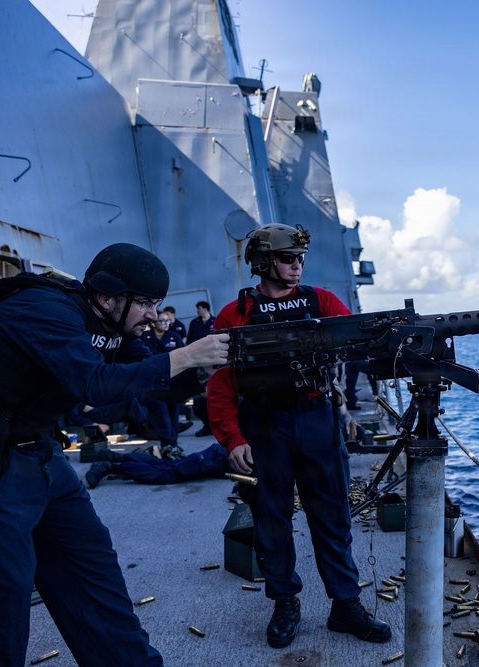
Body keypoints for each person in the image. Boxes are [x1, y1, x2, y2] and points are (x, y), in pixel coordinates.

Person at [0, 243, 229, 666]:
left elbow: (154, 381)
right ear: (106, 297)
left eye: (157, 305)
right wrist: (187, 354)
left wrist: (207, 370)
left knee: (93, 575)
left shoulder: (110, 325)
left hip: (39, 454)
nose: (155, 316)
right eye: (146, 303)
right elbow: (95, 384)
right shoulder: (42, 307)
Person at [207, 223, 390, 649]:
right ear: (263, 261)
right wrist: (232, 440)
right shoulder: (234, 316)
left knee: (332, 517)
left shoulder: (321, 301)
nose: (297, 266)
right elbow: (219, 385)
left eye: (300, 259)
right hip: (263, 425)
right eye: (289, 258)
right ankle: (285, 602)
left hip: (316, 420)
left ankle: (345, 605)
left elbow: (358, 340)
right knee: (271, 521)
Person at [140, 313, 192, 455]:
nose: (165, 323)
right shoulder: (144, 338)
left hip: (172, 382)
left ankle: (172, 444)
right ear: (153, 323)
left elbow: (183, 356)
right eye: (161, 320)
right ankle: (167, 442)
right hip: (152, 383)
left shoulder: (174, 337)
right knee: (160, 413)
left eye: (167, 320)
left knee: (173, 413)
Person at [85, 441, 229, 488]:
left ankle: (116, 458)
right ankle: (111, 466)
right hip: (220, 459)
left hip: (220, 456)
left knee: (168, 465)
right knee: (169, 473)